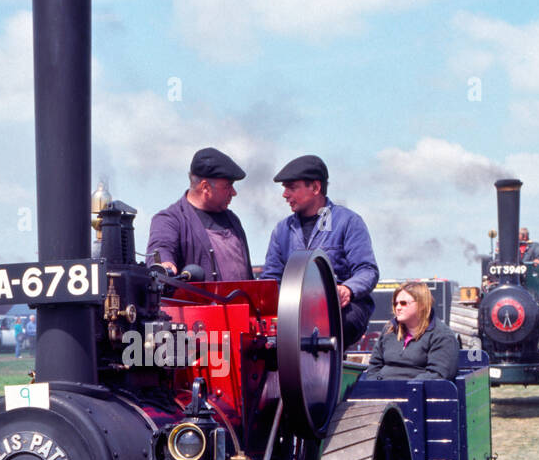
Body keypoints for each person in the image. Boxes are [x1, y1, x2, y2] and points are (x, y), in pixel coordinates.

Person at [261, 155, 379, 348]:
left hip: (340, 312)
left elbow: (368, 270)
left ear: (315, 188)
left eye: (291, 188)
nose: (284, 194)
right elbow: (271, 279)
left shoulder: (348, 222)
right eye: (284, 188)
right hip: (295, 313)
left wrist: (347, 289)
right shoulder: (281, 230)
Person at [145, 147, 253, 282]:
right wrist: (164, 266)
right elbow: (161, 248)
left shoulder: (233, 219)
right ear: (205, 187)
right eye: (228, 186)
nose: (234, 192)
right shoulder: (169, 220)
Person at [362, 281, 459, 381]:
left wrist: (406, 389)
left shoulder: (442, 336)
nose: (398, 308)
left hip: (417, 394)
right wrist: (375, 387)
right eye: (395, 304)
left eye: (403, 303)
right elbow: (374, 366)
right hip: (380, 391)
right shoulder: (389, 331)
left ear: (422, 305)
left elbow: (438, 374)